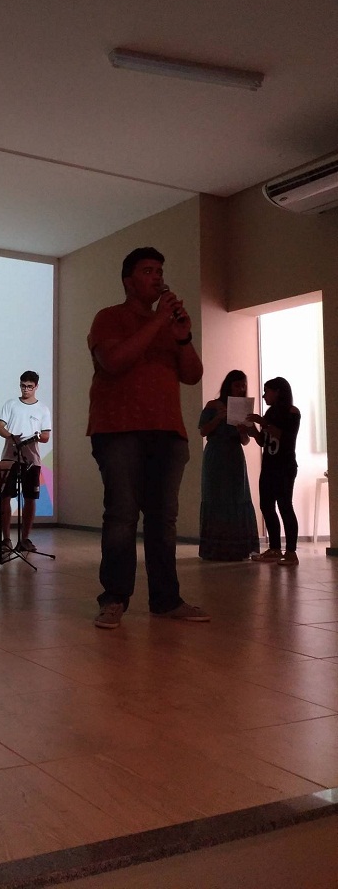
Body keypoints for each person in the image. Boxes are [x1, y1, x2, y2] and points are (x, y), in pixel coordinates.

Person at [87, 246, 209, 629]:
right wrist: (157, 322)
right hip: (118, 429)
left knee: (162, 520)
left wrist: (183, 337)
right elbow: (113, 361)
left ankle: (166, 600)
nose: (157, 277)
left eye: (159, 270)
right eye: (148, 271)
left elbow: (193, 375)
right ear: (129, 281)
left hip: (167, 432)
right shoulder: (109, 317)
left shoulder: (168, 326)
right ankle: (114, 600)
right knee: (121, 515)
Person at [198, 370, 260, 561]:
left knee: (236, 496)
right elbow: (203, 431)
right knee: (215, 495)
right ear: (229, 386)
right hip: (216, 454)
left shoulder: (242, 408)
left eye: (243, 385)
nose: (240, 389)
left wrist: (242, 431)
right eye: (237, 385)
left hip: (234, 455)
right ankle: (215, 548)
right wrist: (218, 417)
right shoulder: (213, 405)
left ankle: (238, 548)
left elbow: (246, 440)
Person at [0, 371, 51, 553]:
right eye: (23, 386)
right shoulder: (11, 404)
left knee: (30, 498)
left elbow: (46, 436)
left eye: (29, 386)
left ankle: (25, 539)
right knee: (5, 496)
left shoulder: (43, 409)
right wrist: (11, 436)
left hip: (31, 459)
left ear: (36, 387)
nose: (25, 389)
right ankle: (6, 539)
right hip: (10, 457)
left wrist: (35, 436)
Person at [248, 376, 301, 566]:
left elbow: (286, 438)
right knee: (266, 506)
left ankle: (291, 552)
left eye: (267, 391)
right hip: (269, 466)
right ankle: (275, 548)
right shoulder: (269, 413)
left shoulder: (292, 412)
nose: (264, 396)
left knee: (285, 506)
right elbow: (264, 441)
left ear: (278, 391)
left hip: (285, 466)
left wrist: (263, 423)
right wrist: (252, 430)